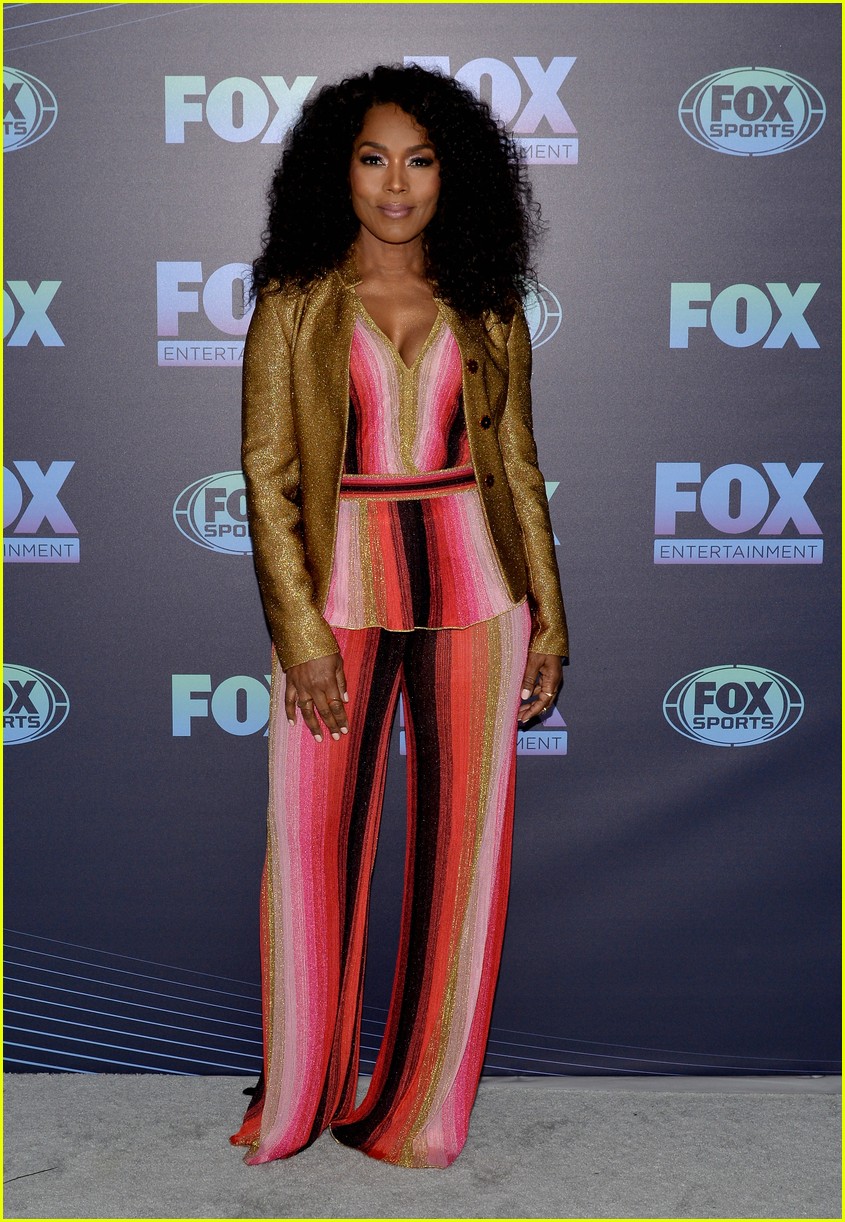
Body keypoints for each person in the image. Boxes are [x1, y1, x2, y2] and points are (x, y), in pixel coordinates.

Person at [230, 63, 568, 1170]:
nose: (394, 184)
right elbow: (268, 477)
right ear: (337, 172)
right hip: (336, 600)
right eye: (372, 158)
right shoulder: (294, 304)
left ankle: (421, 1111)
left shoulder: (488, 304)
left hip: (480, 596)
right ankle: (300, 1096)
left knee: (464, 856)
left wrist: (549, 619)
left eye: (419, 161)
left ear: (449, 175)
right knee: (308, 847)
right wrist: (299, 635)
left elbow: (520, 472)